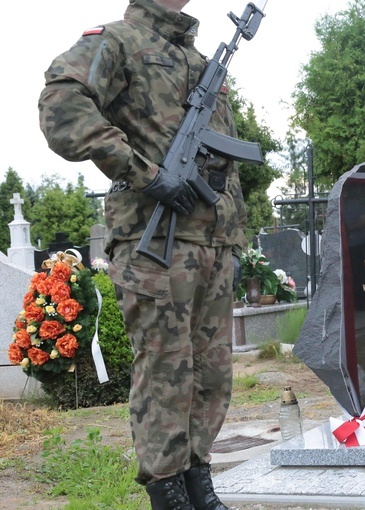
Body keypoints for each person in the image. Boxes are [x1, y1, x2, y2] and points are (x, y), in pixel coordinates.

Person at [38, 1, 246, 508]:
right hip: (156, 241)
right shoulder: (118, 39)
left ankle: (198, 478)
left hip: (212, 241)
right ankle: (166, 487)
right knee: (166, 369)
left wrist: (233, 230)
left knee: (212, 372)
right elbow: (61, 105)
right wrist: (143, 172)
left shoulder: (199, 59)